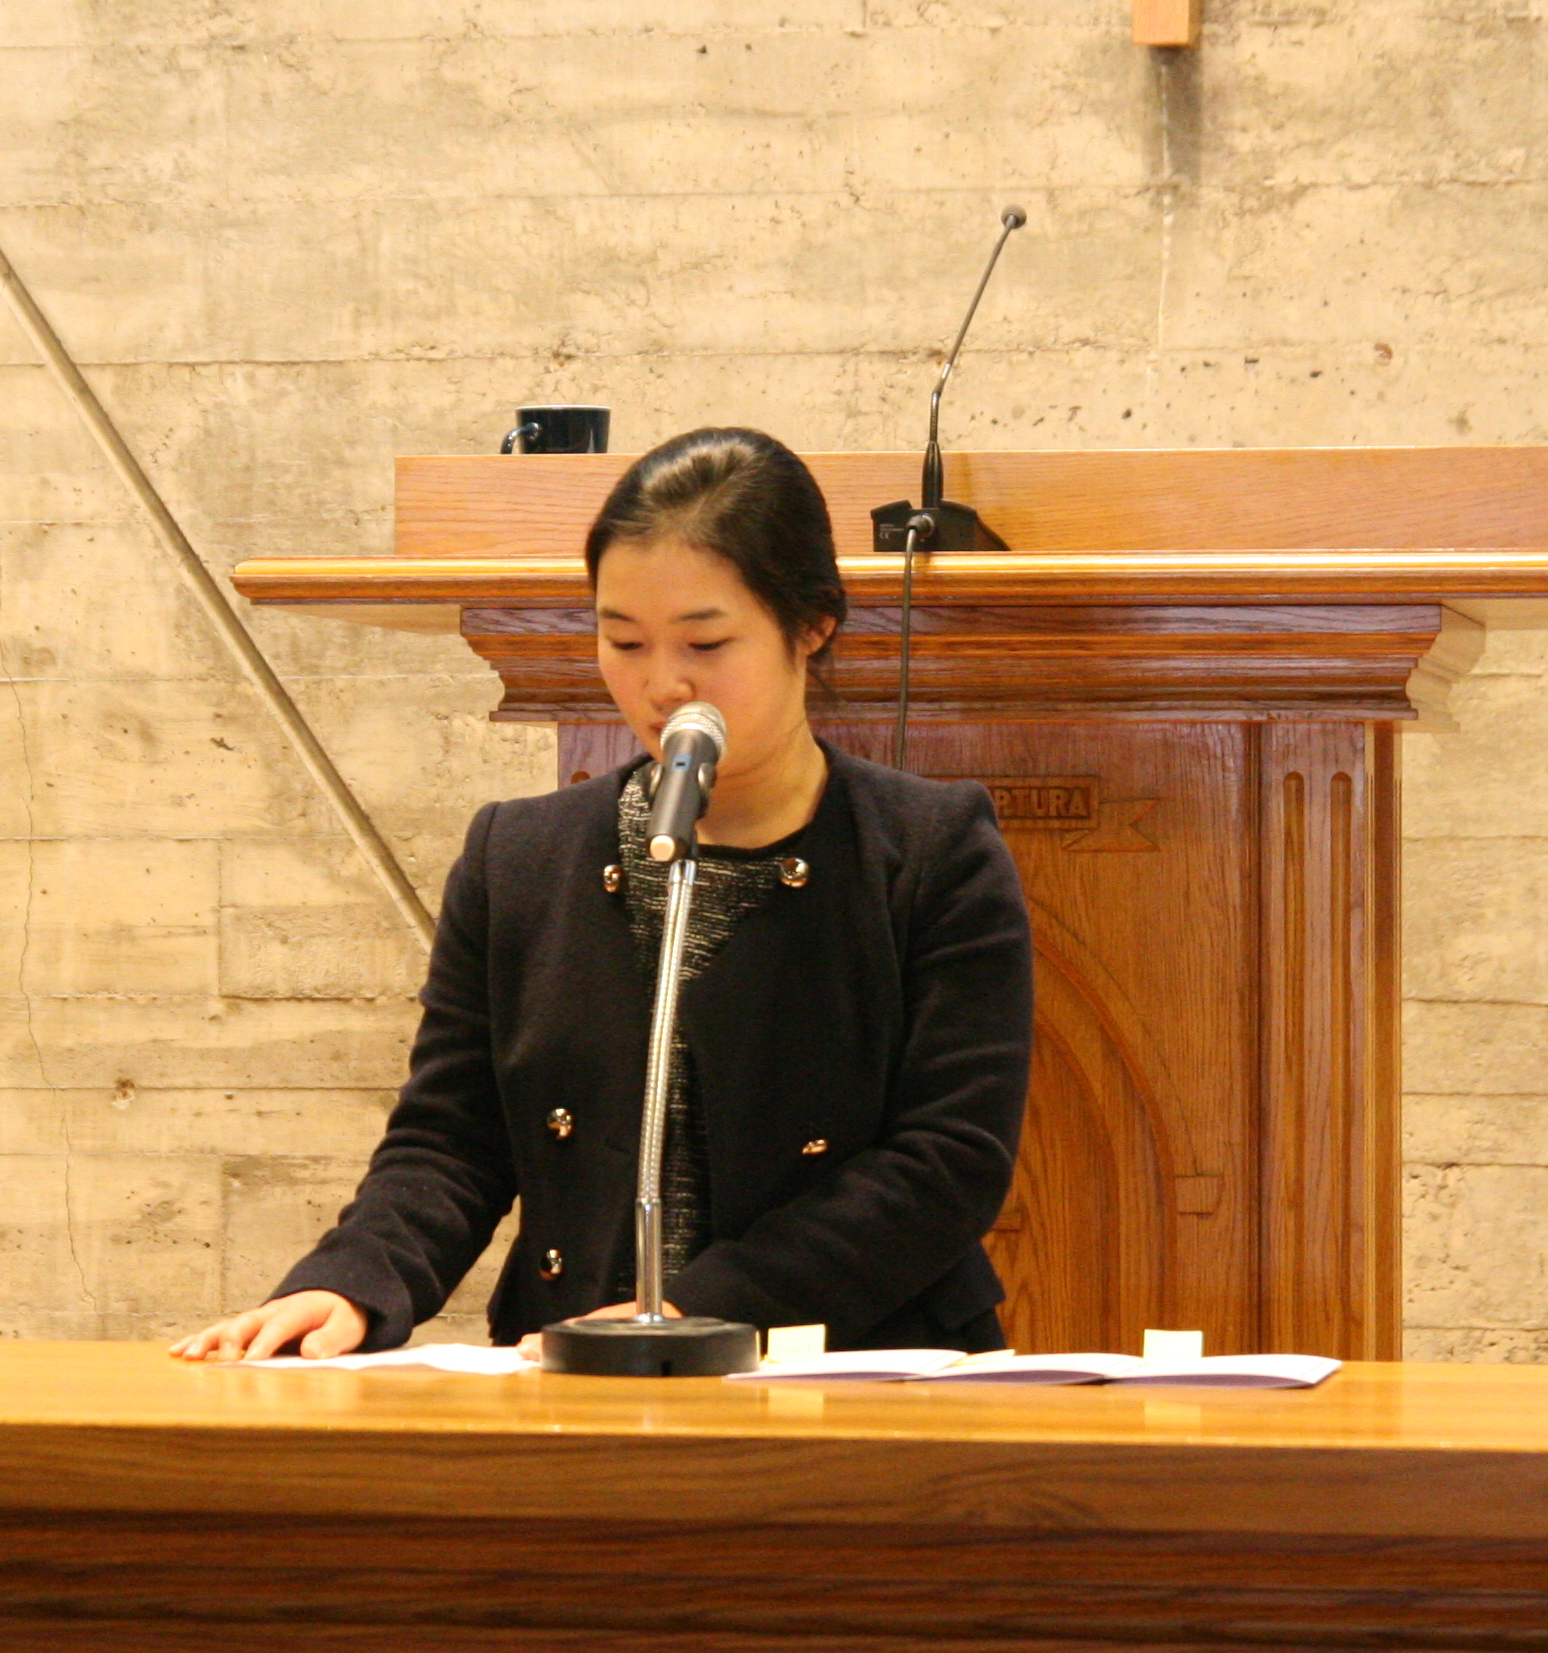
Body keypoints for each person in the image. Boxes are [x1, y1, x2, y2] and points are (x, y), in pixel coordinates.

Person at [171, 426, 1033, 1363]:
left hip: (857, 1362)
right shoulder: (520, 856)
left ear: (813, 623)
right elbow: (451, 1137)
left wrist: (696, 1311)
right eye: (623, 640)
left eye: (706, 642)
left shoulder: (931, 851)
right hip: (579, 1367)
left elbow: (948, 1161)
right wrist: (351, 1279)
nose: (662, 684)